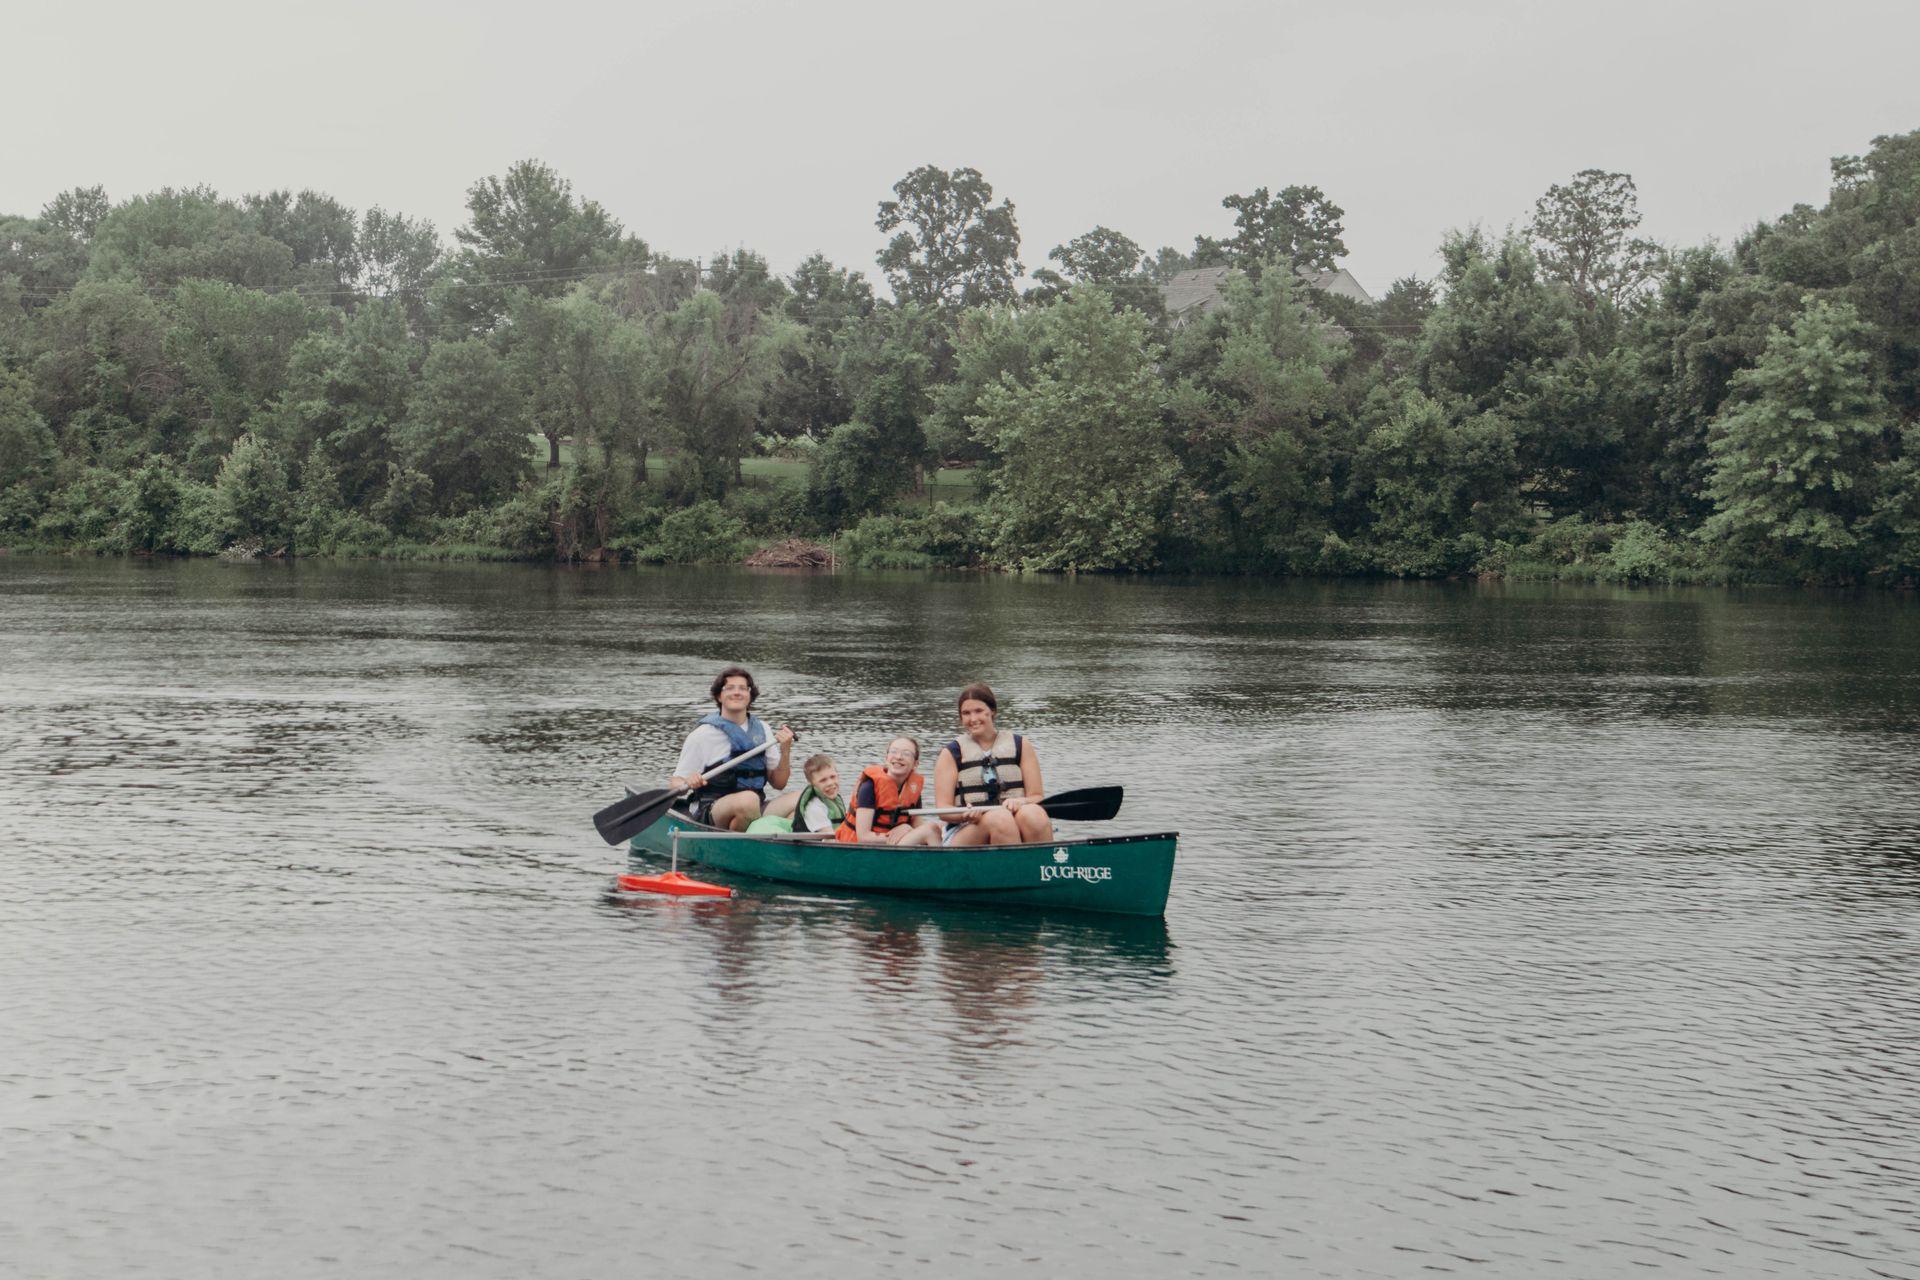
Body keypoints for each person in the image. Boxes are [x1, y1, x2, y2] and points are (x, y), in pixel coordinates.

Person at [669, 666, 795, 831]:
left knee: (805, 799)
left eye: (743, 688)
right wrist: (687, 782)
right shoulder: (702, 735)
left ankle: (782, 845)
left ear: (750, 696)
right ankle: (742, 848)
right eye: (730, 688)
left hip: (755, 808)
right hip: (712, 810)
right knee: (748, 801)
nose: (737, 692)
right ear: (719, 696)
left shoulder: (763, 729)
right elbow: (674, 784)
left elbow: (779, 784)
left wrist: (785, 750)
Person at [933, 682, 1051, 846]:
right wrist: (964, 814)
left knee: (1034, 814)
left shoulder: (1021, 745)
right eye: (966, 713)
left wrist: (1022, 802)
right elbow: (943, 810)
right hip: (966, 829)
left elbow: (1037, 796)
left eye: (979, 711)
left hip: (1013, 819)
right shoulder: (951, 753)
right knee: (1000, 818)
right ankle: (1009, 869)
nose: (973, 719)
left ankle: (1041, 867)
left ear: (992, 711)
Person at [837, 737, 944, 846]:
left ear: (915, 763)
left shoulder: (912, 789)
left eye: (906, 754)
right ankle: (944, 863)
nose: (898, 757)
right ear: (887, 758)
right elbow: (863, 837)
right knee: (931, 830)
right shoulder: (869, 787)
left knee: (939, 828)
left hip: (892, 848)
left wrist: (907, 828)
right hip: (861, 850)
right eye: (894, 751)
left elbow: (918, 826)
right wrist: (906, 832)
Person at [751, 754, 846, 836]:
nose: (830, 783)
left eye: (833, 777)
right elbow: (830, 838)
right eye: (823, 780)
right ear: (811, 783)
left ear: (838, 775)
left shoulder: (833, 800)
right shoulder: (815, 807)